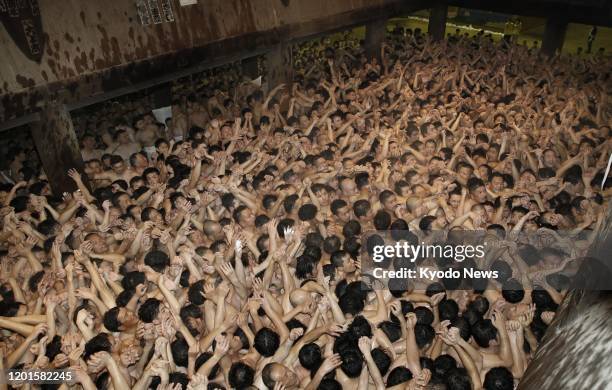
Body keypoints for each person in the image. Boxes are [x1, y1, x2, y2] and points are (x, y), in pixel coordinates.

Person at [0, 26, 609, 390]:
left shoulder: (75, 356)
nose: (127, 351)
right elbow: (240, 327)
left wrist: (69, 341)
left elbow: (41, 367)